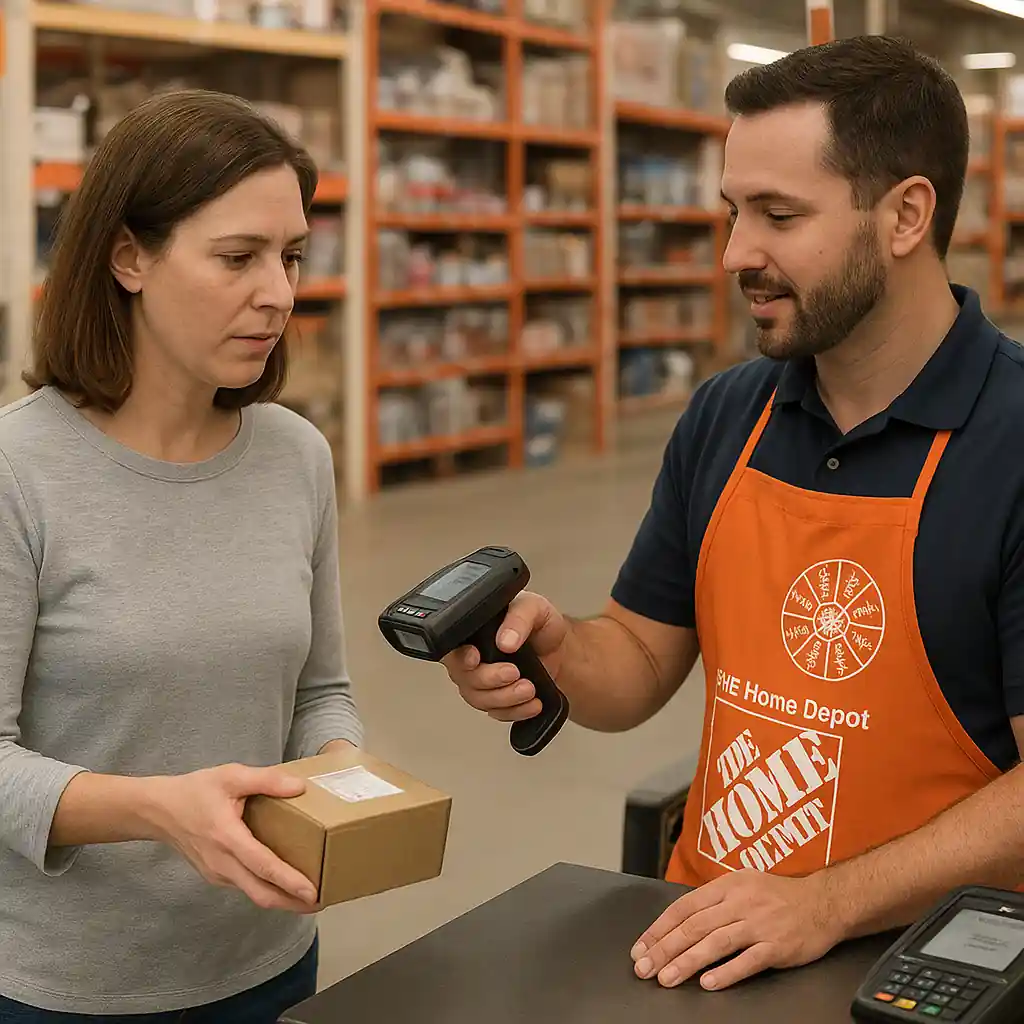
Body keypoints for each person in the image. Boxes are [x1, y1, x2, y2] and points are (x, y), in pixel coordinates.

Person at [444, 34, 1024, 994]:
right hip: (710, 939)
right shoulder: (731, 415)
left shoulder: (1009, 440)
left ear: (907, 215)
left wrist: (825, 902)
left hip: (923, 972)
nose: (734, 254)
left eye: (779, 215)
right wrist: (553, 647)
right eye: (732, 210)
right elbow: (635, 665)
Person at [0, 89, 363, 1021]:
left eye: (290, 258)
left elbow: (322, 691)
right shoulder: (17, 473)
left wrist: (342, 785)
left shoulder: (295, 457)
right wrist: (161, 808)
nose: (278, 294)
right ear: (128, 256)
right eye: (238, 258)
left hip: (269, 960)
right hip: (70, 991)